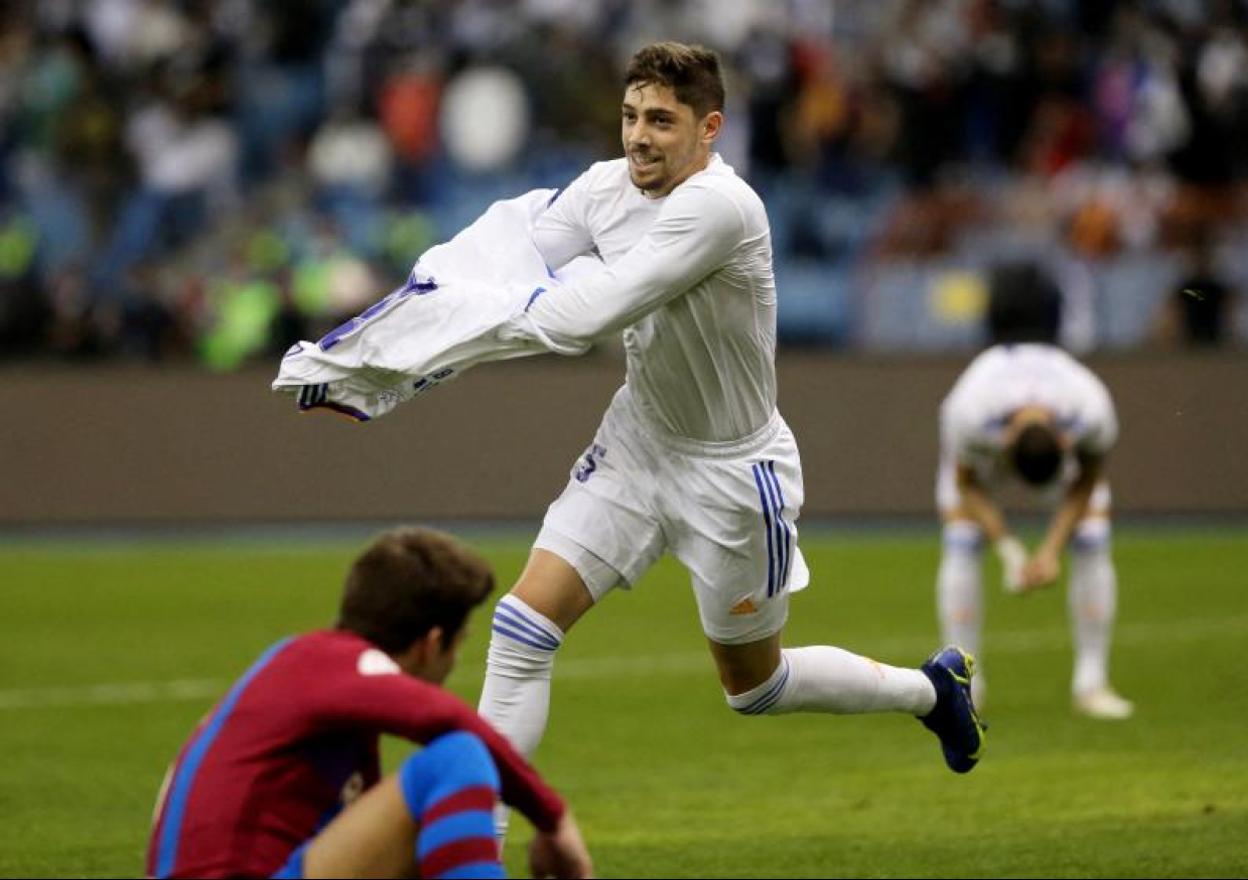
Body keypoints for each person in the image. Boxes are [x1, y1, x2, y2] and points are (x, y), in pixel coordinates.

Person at [475, 40, 986, 839]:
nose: (639, 137)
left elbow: (587, 315)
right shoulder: (606, 187)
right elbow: (512, 259)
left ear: (708, 129)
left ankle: (931, 692)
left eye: (662, 121)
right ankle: (478, 847)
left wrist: (446, 349)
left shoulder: (724, 207)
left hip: (733, 477)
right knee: (521, 628)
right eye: (631, 116)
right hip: (639, 440)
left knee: (756, 687)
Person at [145, 526, 592, 879]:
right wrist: (552, 818)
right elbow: (446, 719)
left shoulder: (305, 664)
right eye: (457, 645)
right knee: (458, 757)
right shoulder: (339, 665)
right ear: (430, 644)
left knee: (422, 829)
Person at [934, 262, 1133, 720]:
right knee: (962, 543)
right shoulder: (969, 411)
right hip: (981, 461)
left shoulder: (1090, 409)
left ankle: (1091, 683)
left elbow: (1085, 482)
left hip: (1047, 456)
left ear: (1066, 443)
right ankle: (966, 683)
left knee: (1093, 539)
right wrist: (1008, 550)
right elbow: (966, 485)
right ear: (1004, 446)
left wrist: (1048, 551)